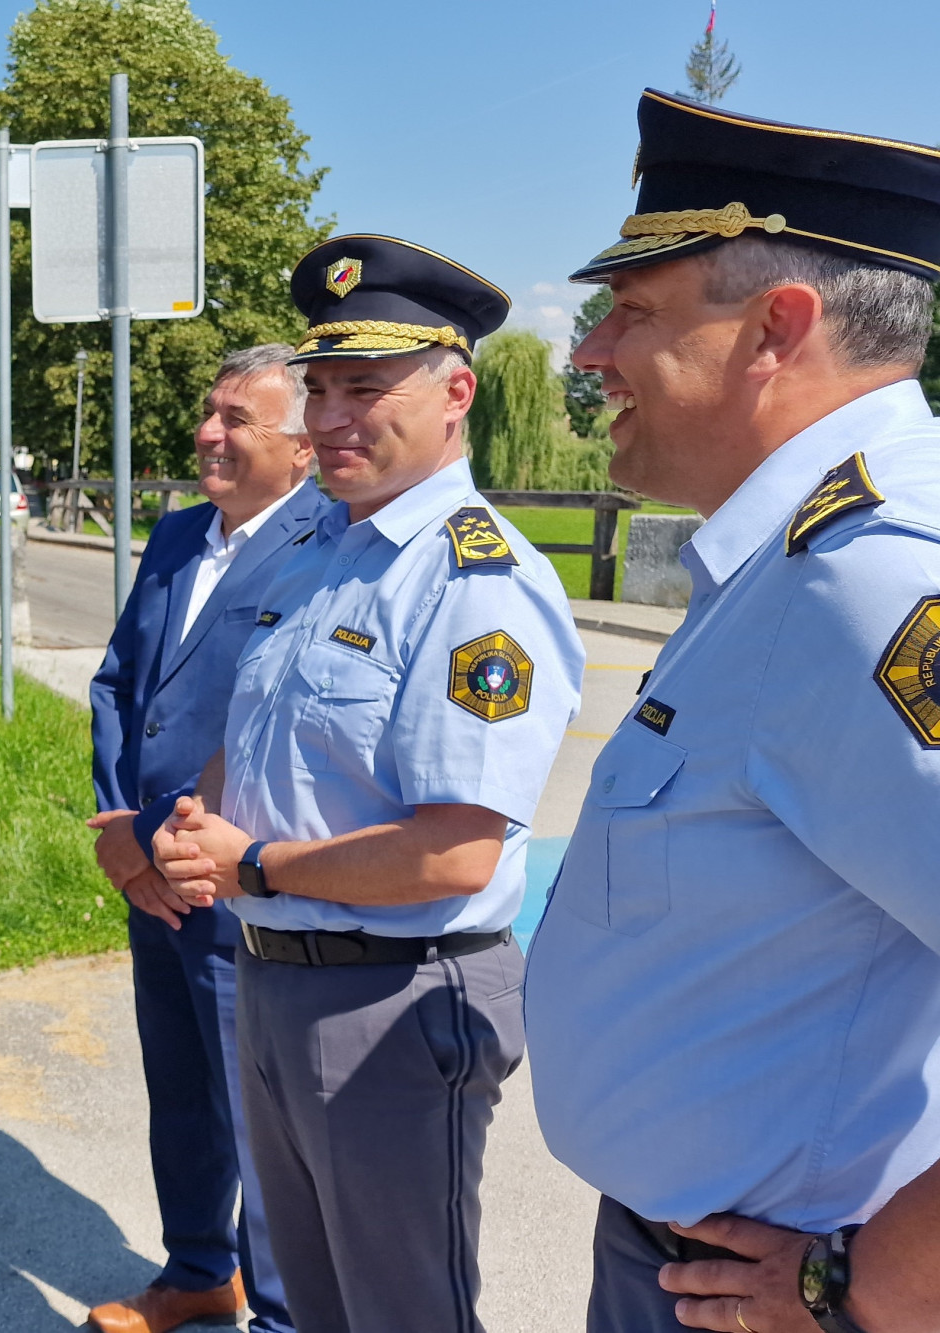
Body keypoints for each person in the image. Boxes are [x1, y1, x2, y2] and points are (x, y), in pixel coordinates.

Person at [526, 89, 940, 1333]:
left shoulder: (869, 580)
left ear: (775, 327)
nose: (589, 352)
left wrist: (872, 1282)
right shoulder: (791, 559)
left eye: (632, 310)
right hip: (695, 1262)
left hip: (778, 1291)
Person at [151, 235, 586, 1333]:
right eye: (320, 389)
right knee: (313, 1309)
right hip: (277, 975)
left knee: (401, 1313)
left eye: (367, 388)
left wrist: (253, 863)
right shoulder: (317, 552)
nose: (331, 417)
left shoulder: (474, 582)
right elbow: (257, 732)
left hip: (394, 997)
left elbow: (454, 851)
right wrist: (201, 820)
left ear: (455, 394)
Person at [84, 344, 326, 1333]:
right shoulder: (181, 532)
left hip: (232, 878)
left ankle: (279, 1311)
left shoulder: (326, 544)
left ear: (302, 446)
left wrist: (161, 840)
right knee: (180, 1090)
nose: (206, 433)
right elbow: (120, 684)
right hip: (150, 873)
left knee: (255, 1111)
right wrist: (119, 830)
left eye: (236, 419)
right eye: (209, 411)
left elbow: (278, 723)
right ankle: (196, 1269)